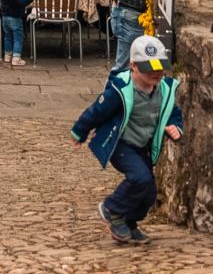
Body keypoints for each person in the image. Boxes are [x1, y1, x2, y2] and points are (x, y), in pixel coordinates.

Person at [70, 34, 183, 246]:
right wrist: (80, 130)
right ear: (133, 66)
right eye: (149, 69)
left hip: (143, 145)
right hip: (121, 143)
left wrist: (176, 127)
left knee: (148, 192)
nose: (155, 73)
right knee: (139, 178)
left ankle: (128, 222)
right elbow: (97, 111)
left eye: (159, 68)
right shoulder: (120, 90)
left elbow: (173, 112)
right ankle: (112, 208)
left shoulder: (165, 90)